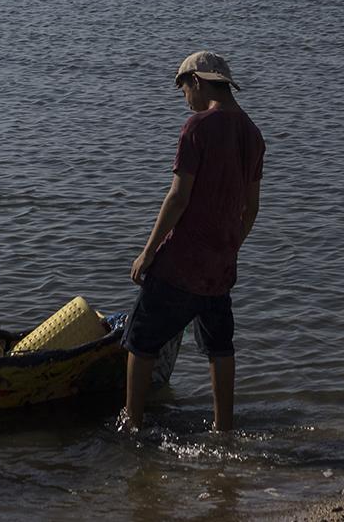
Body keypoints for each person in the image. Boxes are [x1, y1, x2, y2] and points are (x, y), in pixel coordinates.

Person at [122, 51, 264, 433]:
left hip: (181, 263)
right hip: (221, 266)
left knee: (140, 339)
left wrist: (148, 253)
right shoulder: (252, 134)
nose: (185, 99)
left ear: (197, 82)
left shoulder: (196, 128)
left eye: (184, 89)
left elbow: (178, 198)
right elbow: (251, 208)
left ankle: (131, 425)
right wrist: (230, 247)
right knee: (220, 346)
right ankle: (224, 428)